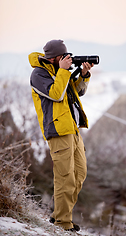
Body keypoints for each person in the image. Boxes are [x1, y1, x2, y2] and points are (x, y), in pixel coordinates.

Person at [28, 39, 94, 232]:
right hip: (57, 131)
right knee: (65, 178)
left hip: (73, 129)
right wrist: (64, 70)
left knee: (79, 175)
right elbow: (56, 94)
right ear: (54, 58)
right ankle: (63, 223)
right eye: (62, 57)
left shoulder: (59, 72)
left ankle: (59, 216)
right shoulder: (38, 74)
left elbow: (77, 92)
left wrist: (83, 74)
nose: (66, 58)